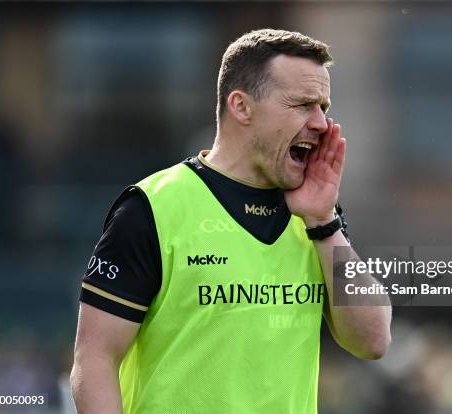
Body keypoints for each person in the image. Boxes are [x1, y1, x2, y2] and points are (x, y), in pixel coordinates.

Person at [70, 28, 392, 414]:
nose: (321, 123)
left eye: (323, 106)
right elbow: (94, 361)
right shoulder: (152, 208)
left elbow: (373, 341)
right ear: (241, 107)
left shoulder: (316, 217)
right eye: (303, 105)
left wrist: (324, 221)